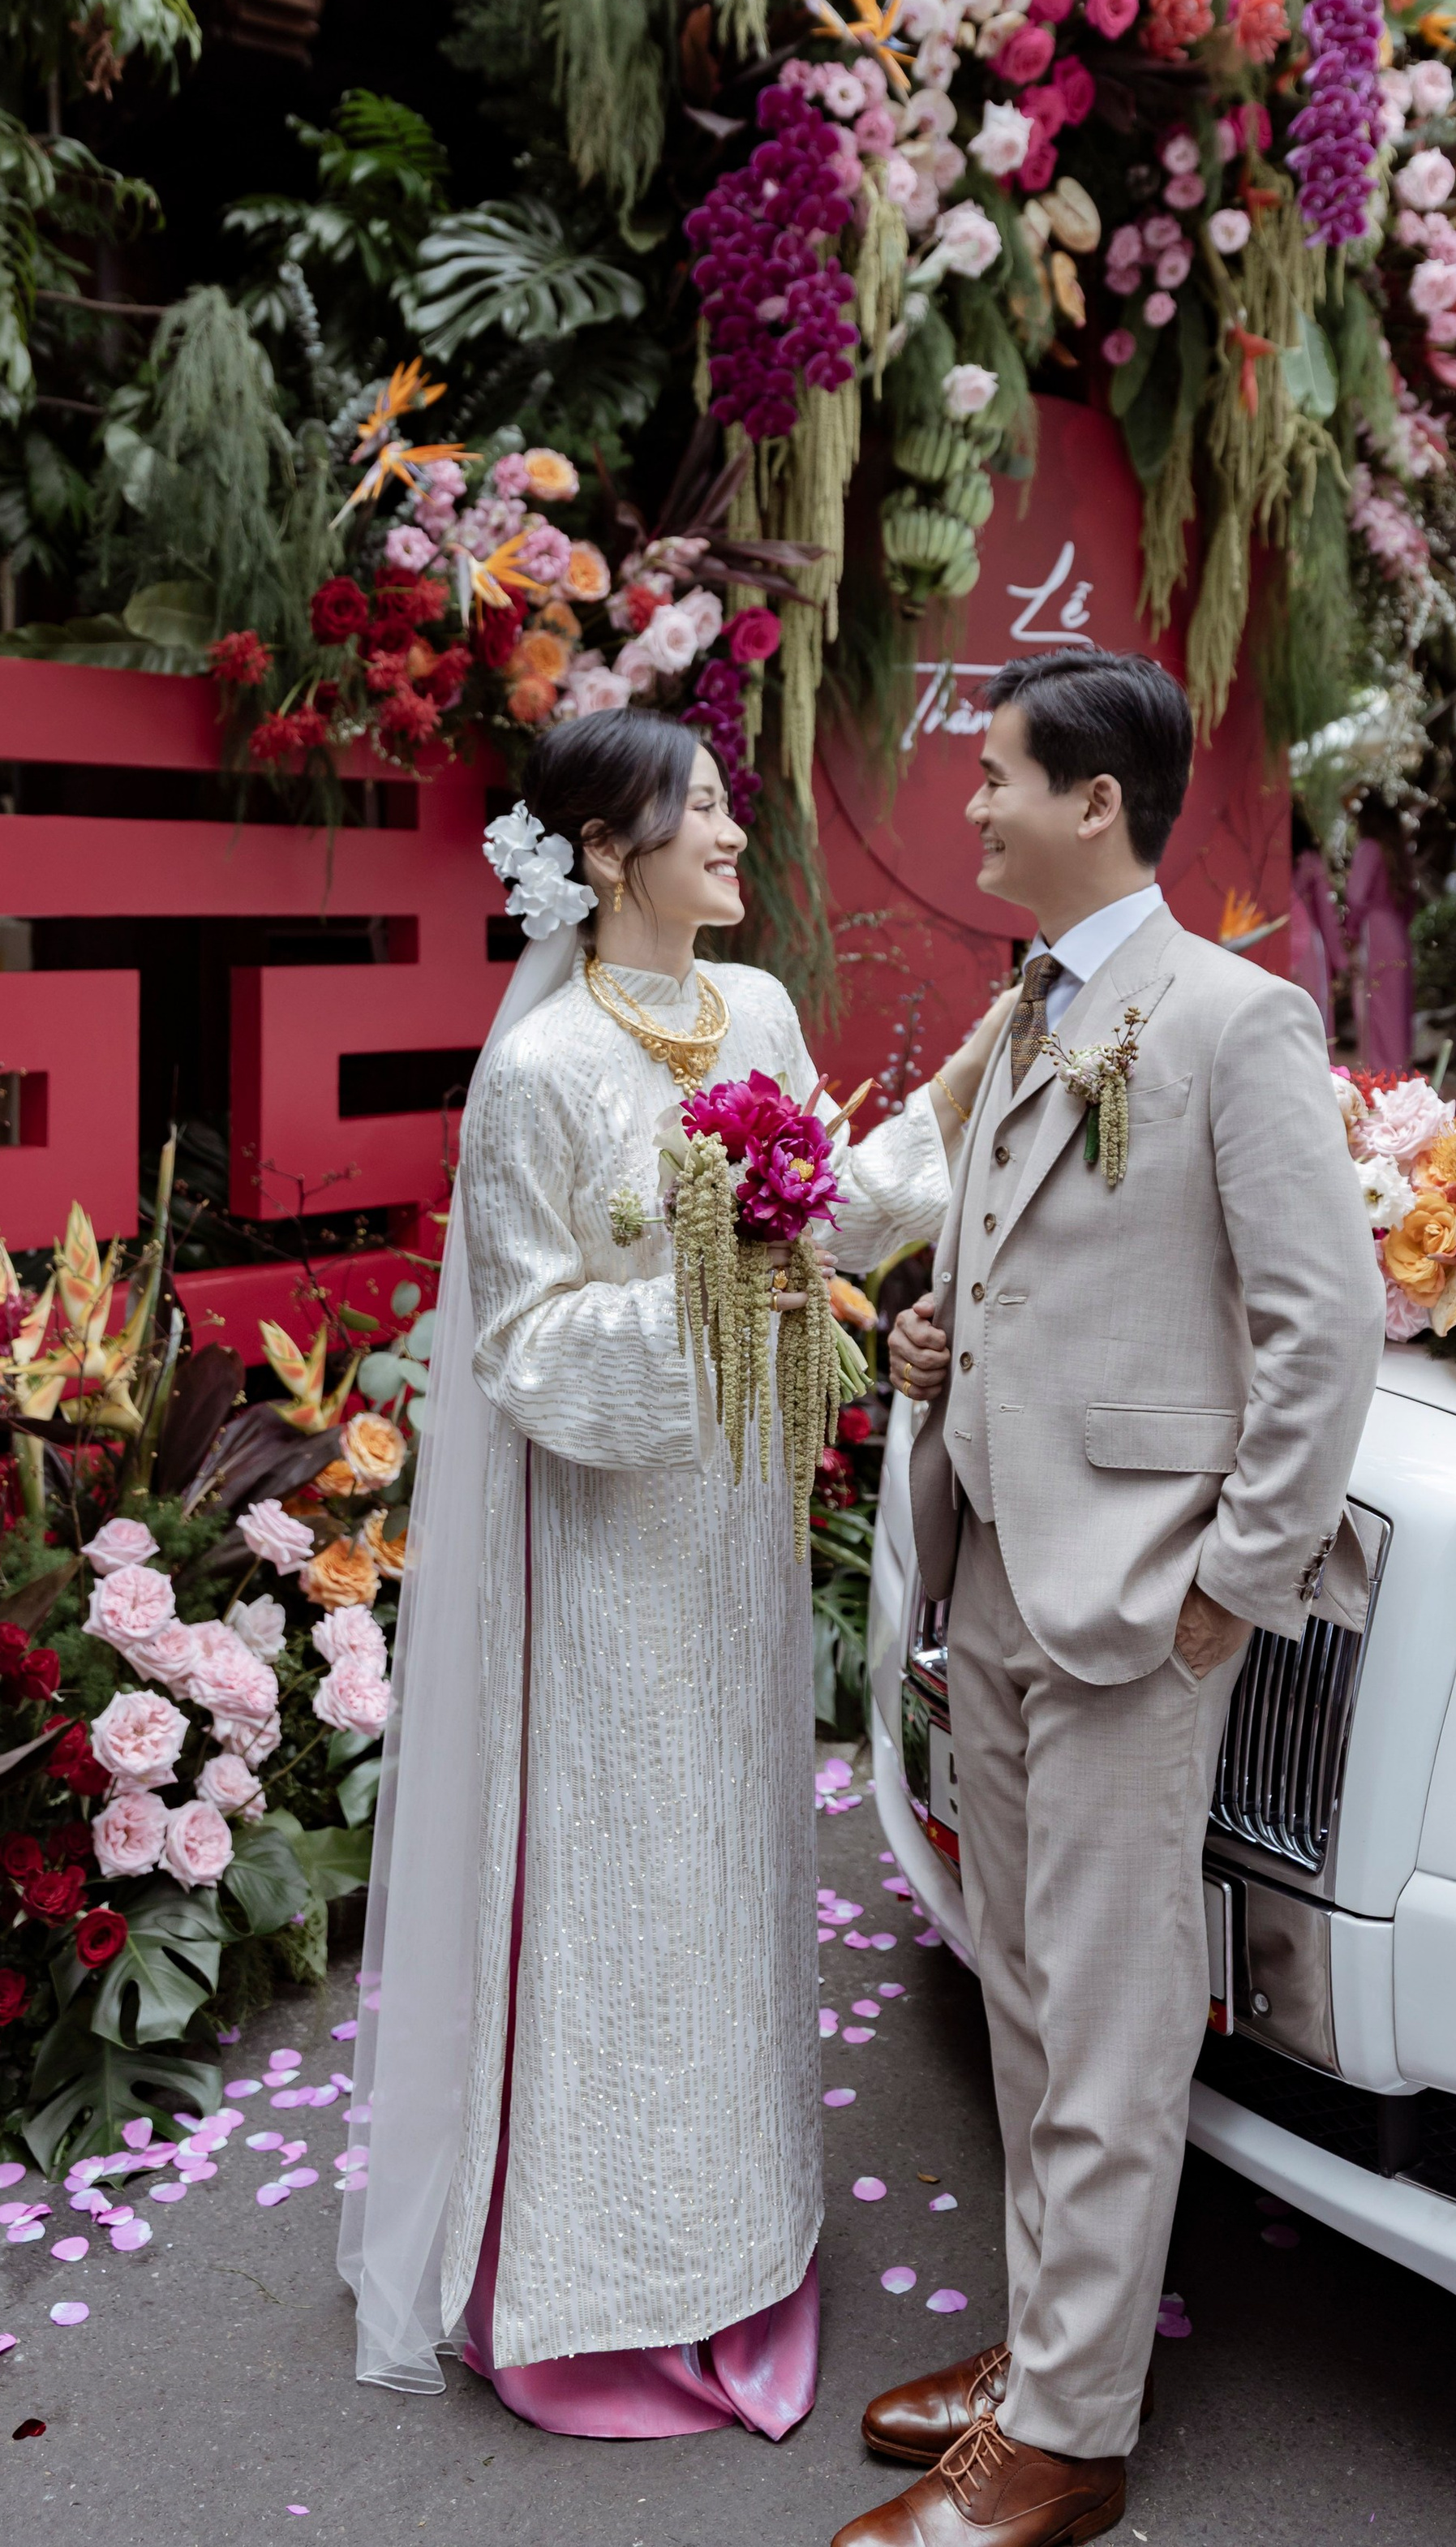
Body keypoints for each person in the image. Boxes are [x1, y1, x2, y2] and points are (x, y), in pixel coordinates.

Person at [340, 710, 1012, 2442]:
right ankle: (601, 2290)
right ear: (607, 853)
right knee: (627, 1890)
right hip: (607, 1552)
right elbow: (525, 1346)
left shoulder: (763, 1011)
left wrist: (942, 1113)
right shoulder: (540, 1072)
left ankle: (741, 2236)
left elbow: (832, 1213)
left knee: (734, 1868)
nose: (732, 831)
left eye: (724, 802)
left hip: (731, 1530)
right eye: (698, 810)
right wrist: (711, 1284)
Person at [842, 649, 1382, 2547]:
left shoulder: (1230, 1021)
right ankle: (1040, 2345)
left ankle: (1068, 2435)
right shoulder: (1026, 1007)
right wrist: (934, 1337)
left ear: (1092, 801)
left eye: (993, 775)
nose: (968, 804)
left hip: (1140, 1596)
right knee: (1022, 1988)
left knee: (1111, 2011)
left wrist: (1228, 1587)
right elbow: (1024, 1274)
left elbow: (1325, 1332)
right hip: (991, 1559)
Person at [1345, 794, 1416, 1073]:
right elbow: (1411, 900)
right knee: (1396, 1015)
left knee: (1373, 1012)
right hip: (1397, 934)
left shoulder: (1368, 848)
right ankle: (1400, 1080)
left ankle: (1380, 1083)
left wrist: (1350, 934)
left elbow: (1355, 896)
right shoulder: (1397, 851)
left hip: (1374, 935)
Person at [1286, 805, 1344, 1036]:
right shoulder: (1310, 861)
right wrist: (1340, 960)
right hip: (1308, 948)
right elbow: (1326, 913)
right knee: (1313, 1020)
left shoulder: (1267, 857)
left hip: (1270, 940)